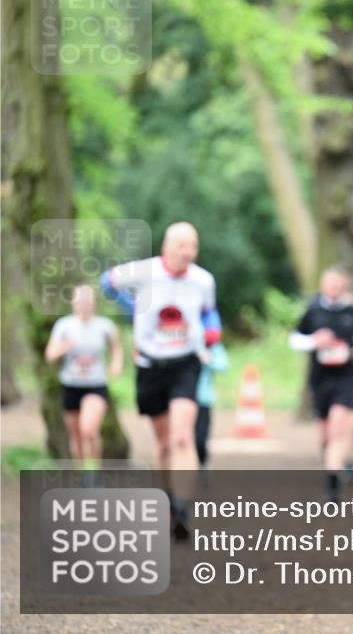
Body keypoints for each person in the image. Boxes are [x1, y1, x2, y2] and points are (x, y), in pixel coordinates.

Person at [100, 222, 221, 539]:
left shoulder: (203, 280)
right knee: (165, 443)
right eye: (182, 246)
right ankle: (168, 498)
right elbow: (106, 282)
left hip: (186, 362)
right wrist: (132, 309)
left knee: (183, 436)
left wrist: (211, 332)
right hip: (150, 365)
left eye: (193, 246)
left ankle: (183, 506)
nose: (188, 253)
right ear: (167, 247)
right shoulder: (143, 272)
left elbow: (210, 312)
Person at [289, 267, 353, 502]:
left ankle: (333, 488)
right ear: (322, 286)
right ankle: (331, 466)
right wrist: (313, 341)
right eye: (330, 284)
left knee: (339, 425)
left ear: (344, 286)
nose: (334, 289)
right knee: (326, 434)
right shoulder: (314, 309)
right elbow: (295, 339)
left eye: (338, 284)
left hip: (347, 376)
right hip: (320, 378)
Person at [44, 285, 123, 467]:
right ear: (73, 303)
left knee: (88, 429)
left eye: (87, 301)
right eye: (80, 301)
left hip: (95, 384)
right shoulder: (64, 325)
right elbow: (50, 355)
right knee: (76, 435)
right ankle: (81, 473)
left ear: (94, 303)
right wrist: (63, 347)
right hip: (70, 384)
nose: (84, 304)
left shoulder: (105, 326)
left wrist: (116, 364)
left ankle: (94, 471)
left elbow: (116, 348)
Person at [195, 333, 229, 468]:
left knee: (200, 440)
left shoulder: (210, 342)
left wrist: (207, 359)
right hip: (179, 398)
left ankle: (201, 466)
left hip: (203, 398)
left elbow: (223, 365)